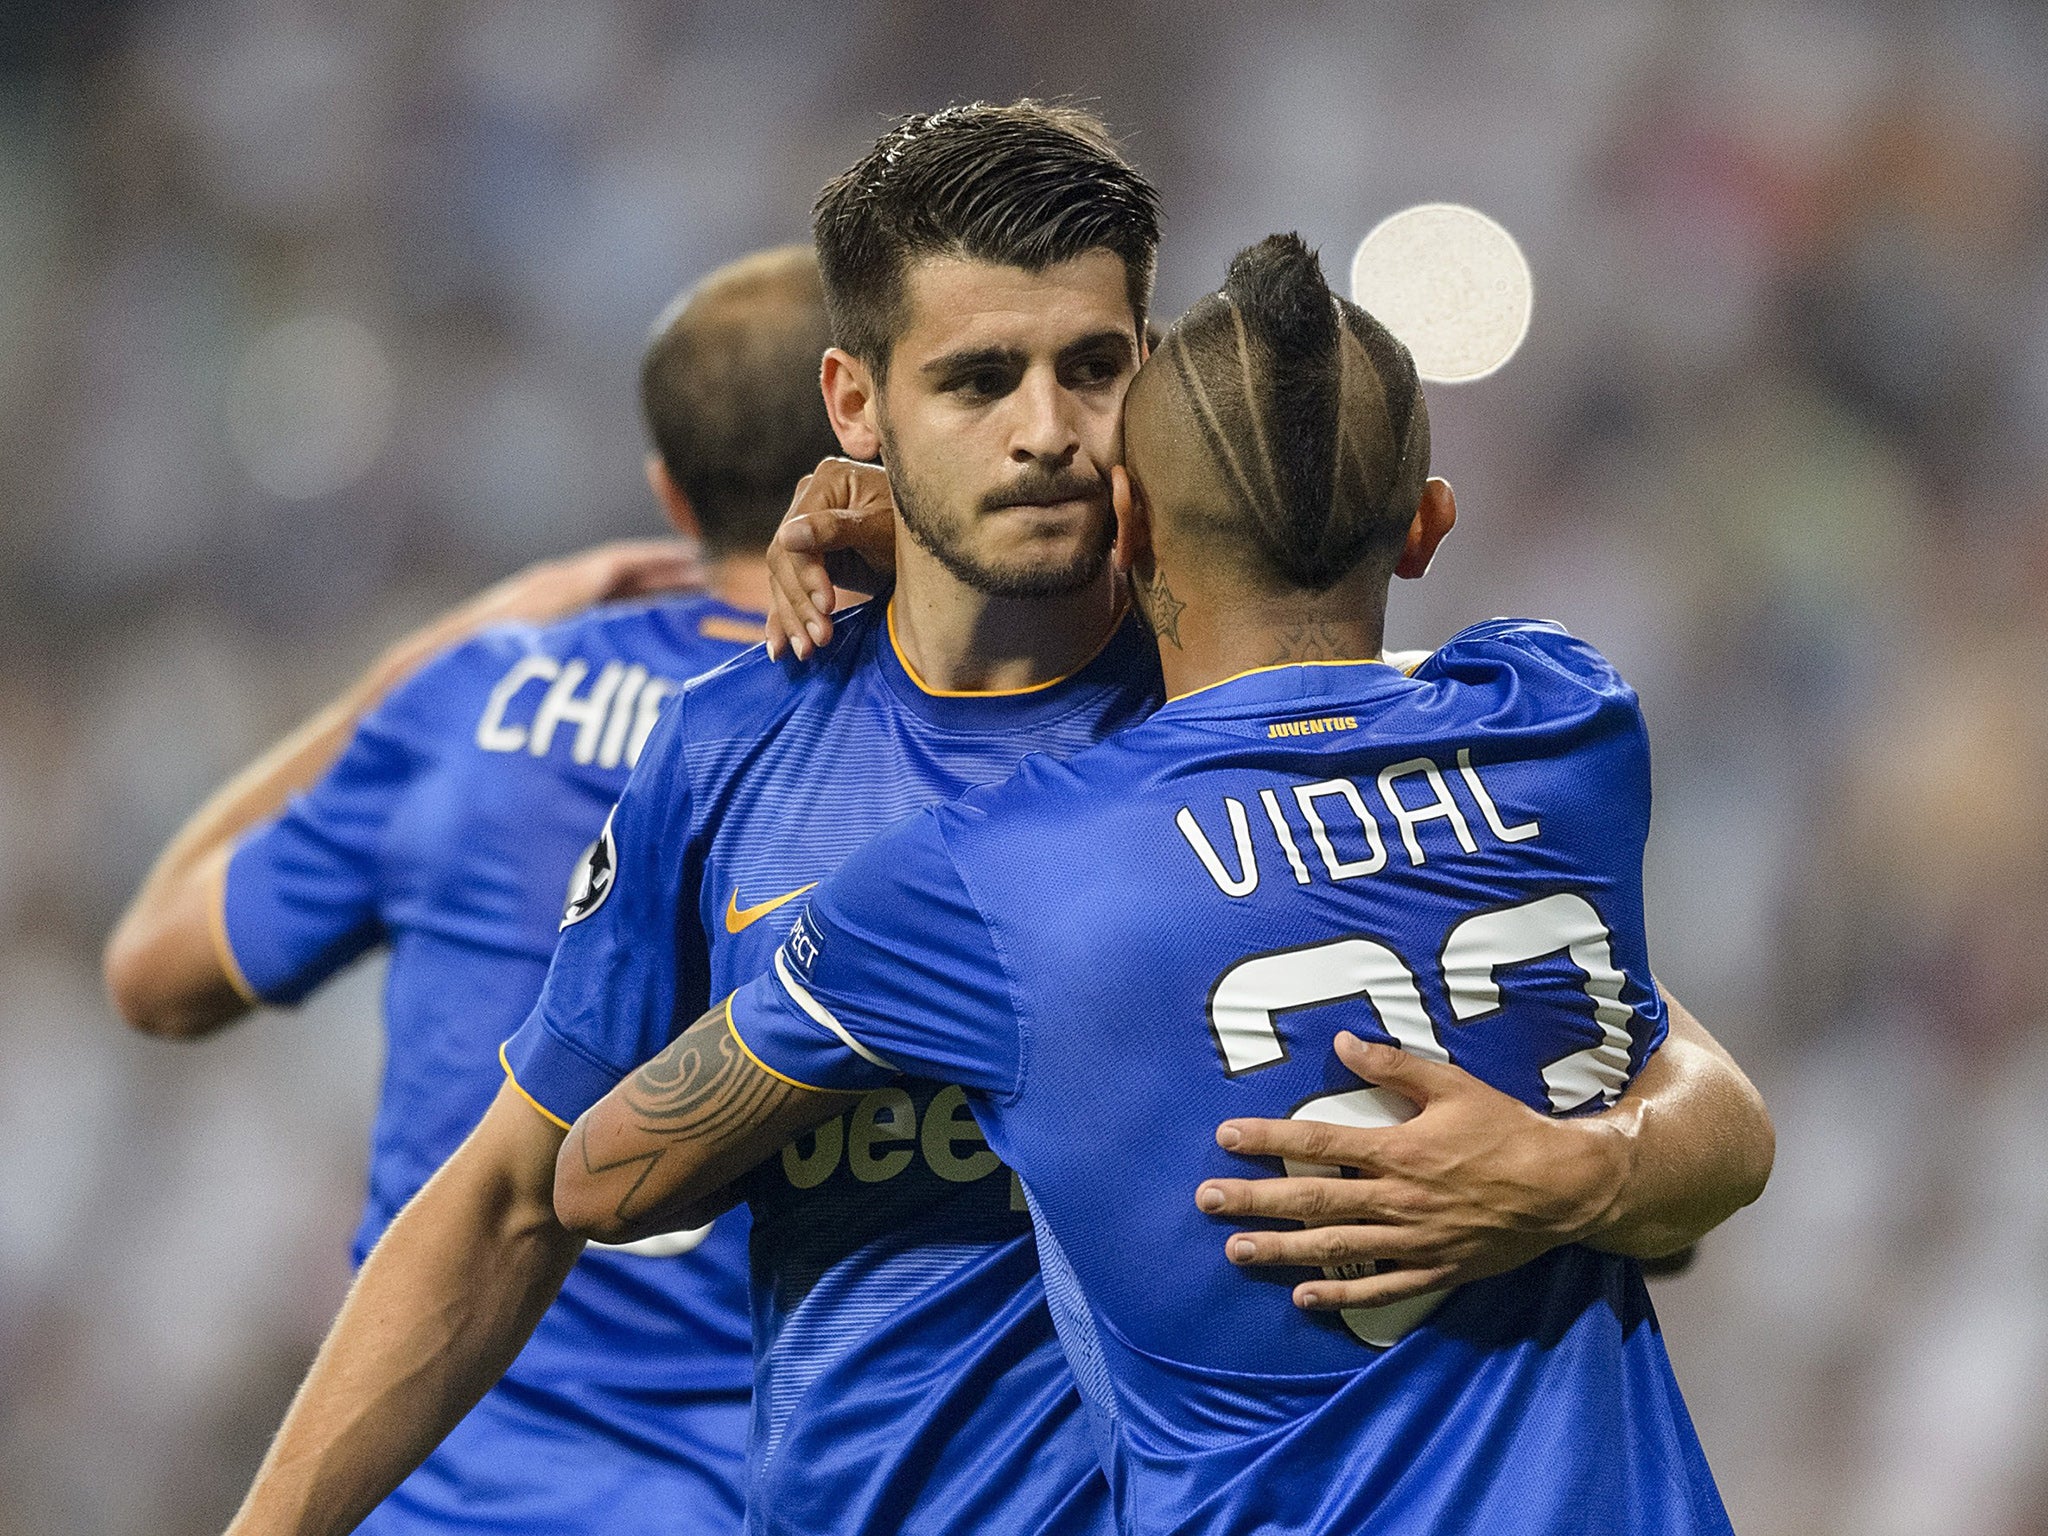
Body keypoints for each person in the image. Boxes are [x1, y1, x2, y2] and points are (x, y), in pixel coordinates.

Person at [215, 102, 1767, 1536]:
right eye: (975, 380)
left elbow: (1679, 1076)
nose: (1049, 432)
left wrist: (1592, 1170)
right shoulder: (734, 744)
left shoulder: (1237, 719)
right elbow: (510, 1200)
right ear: (855, 400)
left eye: (1093, 368)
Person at [559, 234, 1743, 1534]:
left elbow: (608, 1179)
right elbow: (1694, 1082)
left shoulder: (994, 879)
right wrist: (1581, 1171)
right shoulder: (1565, 725)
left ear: (1124, 523)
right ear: (1425, 528)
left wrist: (964, 550)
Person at [102, 245, 839, 1536]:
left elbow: (154, 970)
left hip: (421, 1497)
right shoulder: (911, 735)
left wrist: (429, 653)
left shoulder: (469, 703)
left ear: (670, 494)